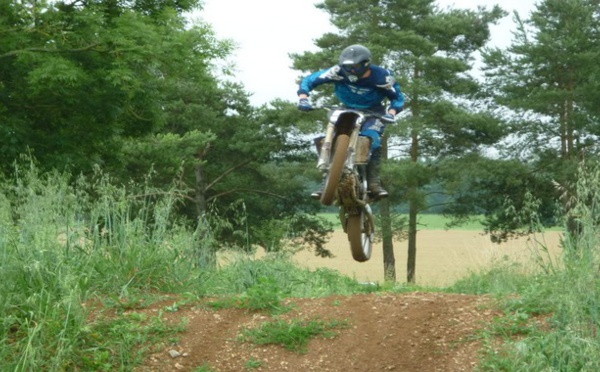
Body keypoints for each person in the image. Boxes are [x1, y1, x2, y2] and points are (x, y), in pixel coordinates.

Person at [297, 44, 405, 199]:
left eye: (355, 67)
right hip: (345, 108)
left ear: (365, 63)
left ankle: (374, 182)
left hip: (373, 112)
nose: (351, 70)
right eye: (347, 67)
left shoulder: (382, 77)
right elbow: (310, 80)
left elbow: (398, 97)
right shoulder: (337, 72)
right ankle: (327, 181)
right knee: (331, 135)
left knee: (371, 137)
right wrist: (303, 99)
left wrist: (392, 112)